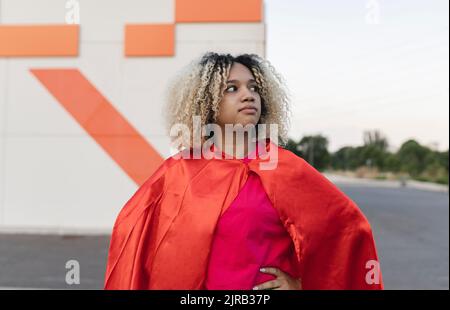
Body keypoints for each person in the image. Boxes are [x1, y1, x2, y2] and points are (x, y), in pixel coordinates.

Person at [104, 52, 383, 290]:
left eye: (253, 87)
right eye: (232, 88)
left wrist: (303, 283)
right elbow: (133, 234)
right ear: (207, 102)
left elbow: (348, 233)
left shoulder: (287, 168)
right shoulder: (180, 172)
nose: (248, 95)